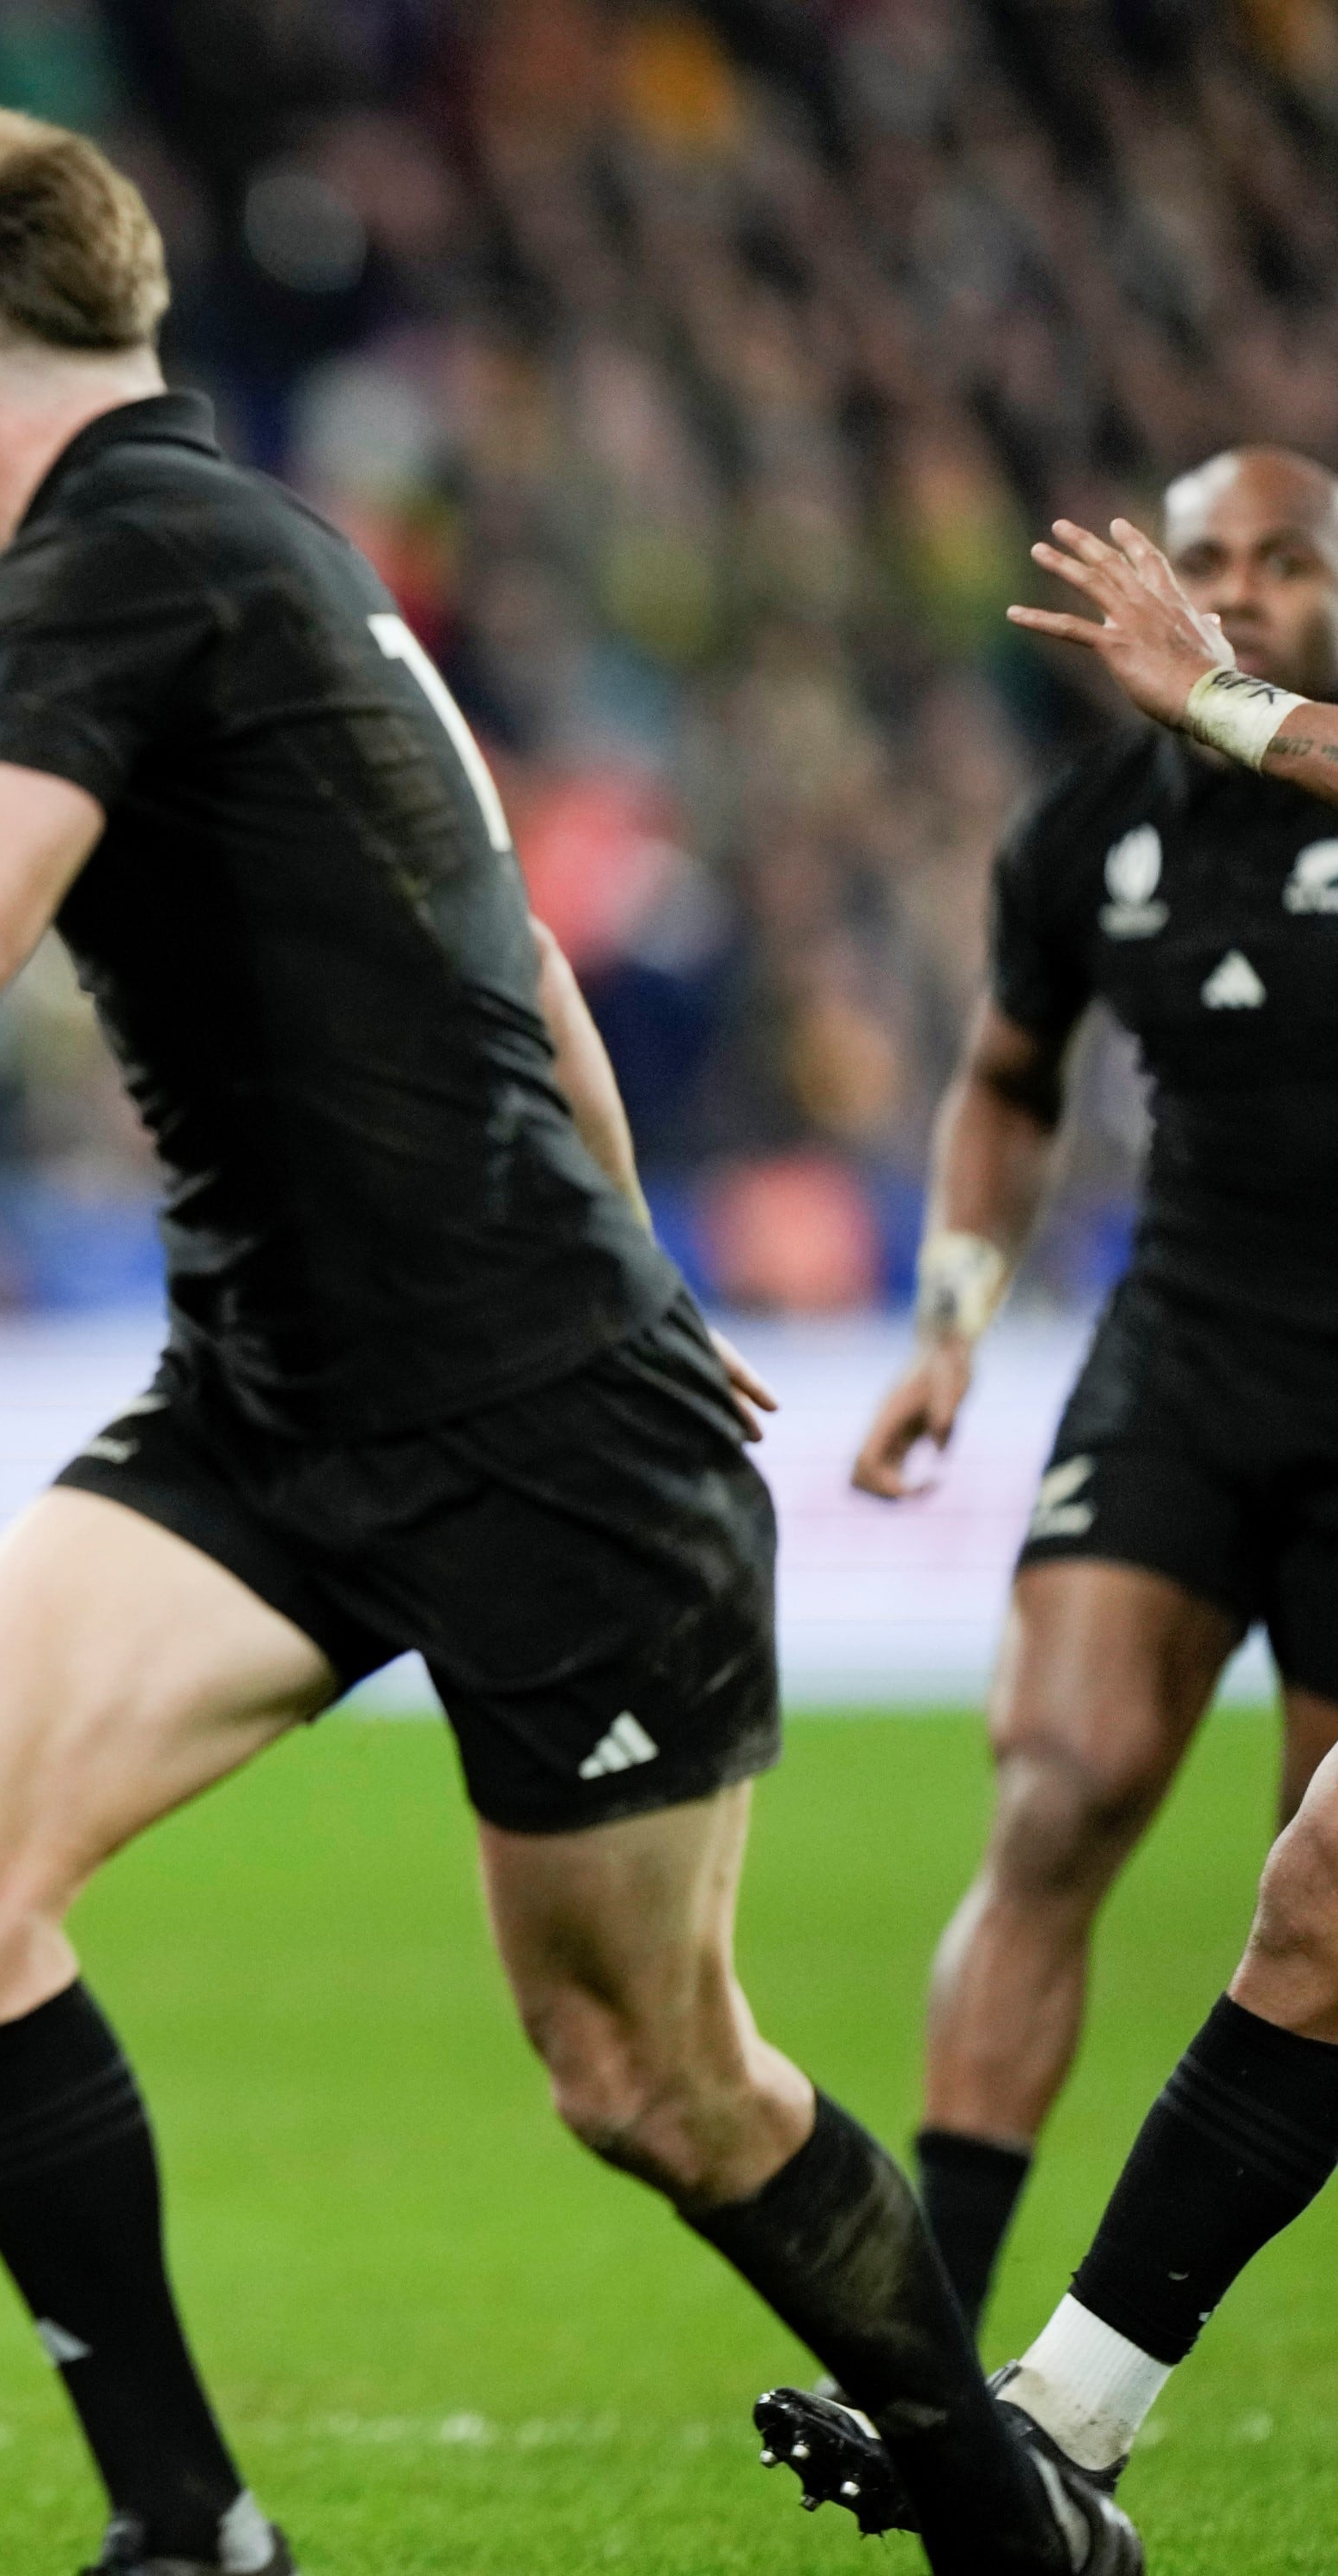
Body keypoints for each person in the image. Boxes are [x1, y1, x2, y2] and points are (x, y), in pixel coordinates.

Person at [0, 108, 1131, 2576]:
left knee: (649, 2080)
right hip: (286, 1397)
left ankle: (1010, 2526)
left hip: (526, 1424)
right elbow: (530, 957)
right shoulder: (280, 555)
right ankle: (194, 2536)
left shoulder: (118, 551)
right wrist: (631, 1251)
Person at [750, 481, 1338, 2538]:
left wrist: (1232, 700)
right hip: (1189, 1356)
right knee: (1070, 1786)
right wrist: (946, 1327)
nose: (1239, 601)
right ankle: (966, 2377)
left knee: (1323, 1893)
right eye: (1214, 568)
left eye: (1284, 566)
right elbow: (1005, 1080)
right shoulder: (1091, 833)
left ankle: (1051, 2411)